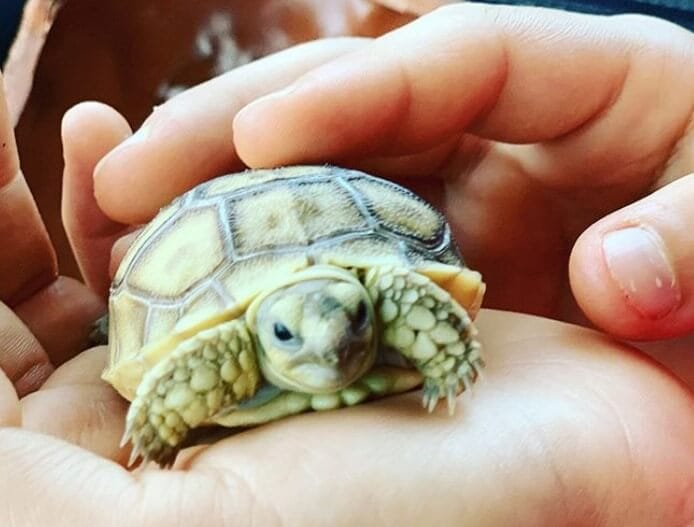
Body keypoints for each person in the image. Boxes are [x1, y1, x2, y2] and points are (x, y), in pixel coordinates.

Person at [0, 3, 692, 525]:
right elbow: (199, 362)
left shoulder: (385, 299)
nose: (331, 350)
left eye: (355, 322)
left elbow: (405, 300)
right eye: (289, 337)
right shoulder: (228, 345)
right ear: (261, 330)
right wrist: (159, 415)